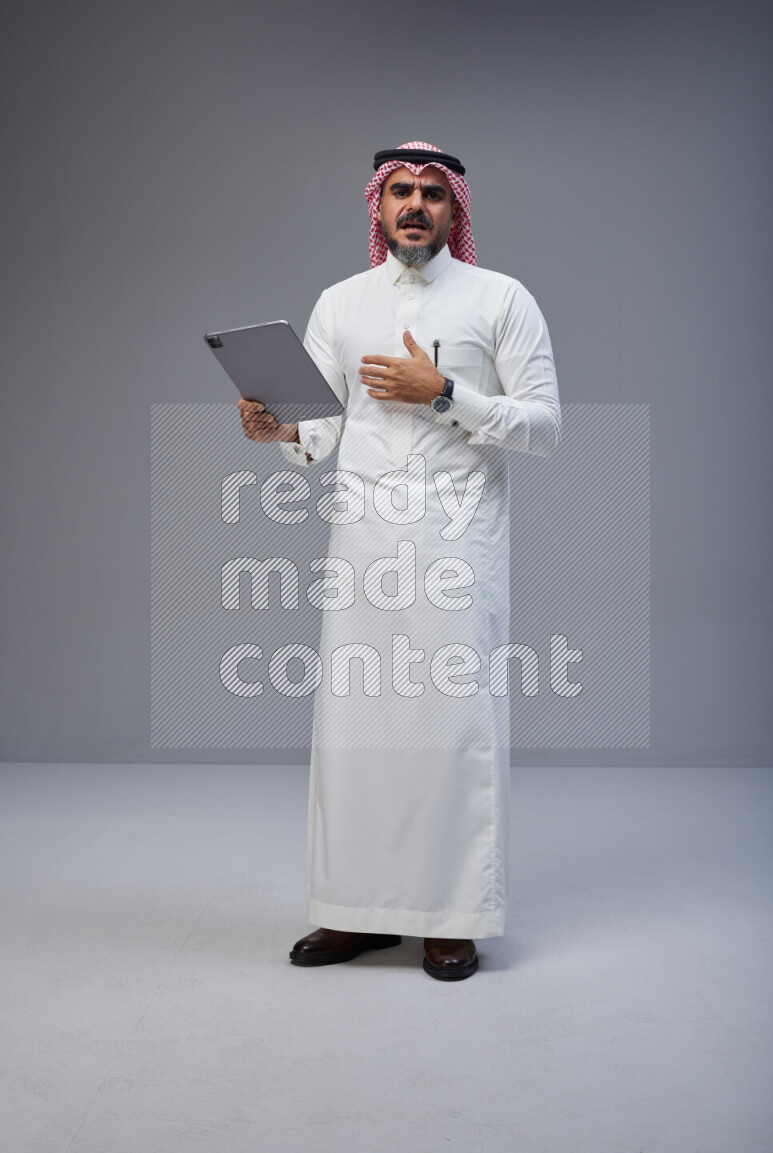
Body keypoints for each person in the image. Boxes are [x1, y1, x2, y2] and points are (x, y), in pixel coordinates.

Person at [238, 141, 561, 981]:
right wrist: (276, 428)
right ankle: (353, 915)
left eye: (431, 194)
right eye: (400, 193)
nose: (415, 205)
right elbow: (318, 433)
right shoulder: (340, 304)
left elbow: (544, 425)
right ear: (378, 209)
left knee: (451, 733)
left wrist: (444, 395)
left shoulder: (502, 299)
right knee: (356, 735)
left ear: (456, 210)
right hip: (363, 549)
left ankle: (451, 918)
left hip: (460, 546)